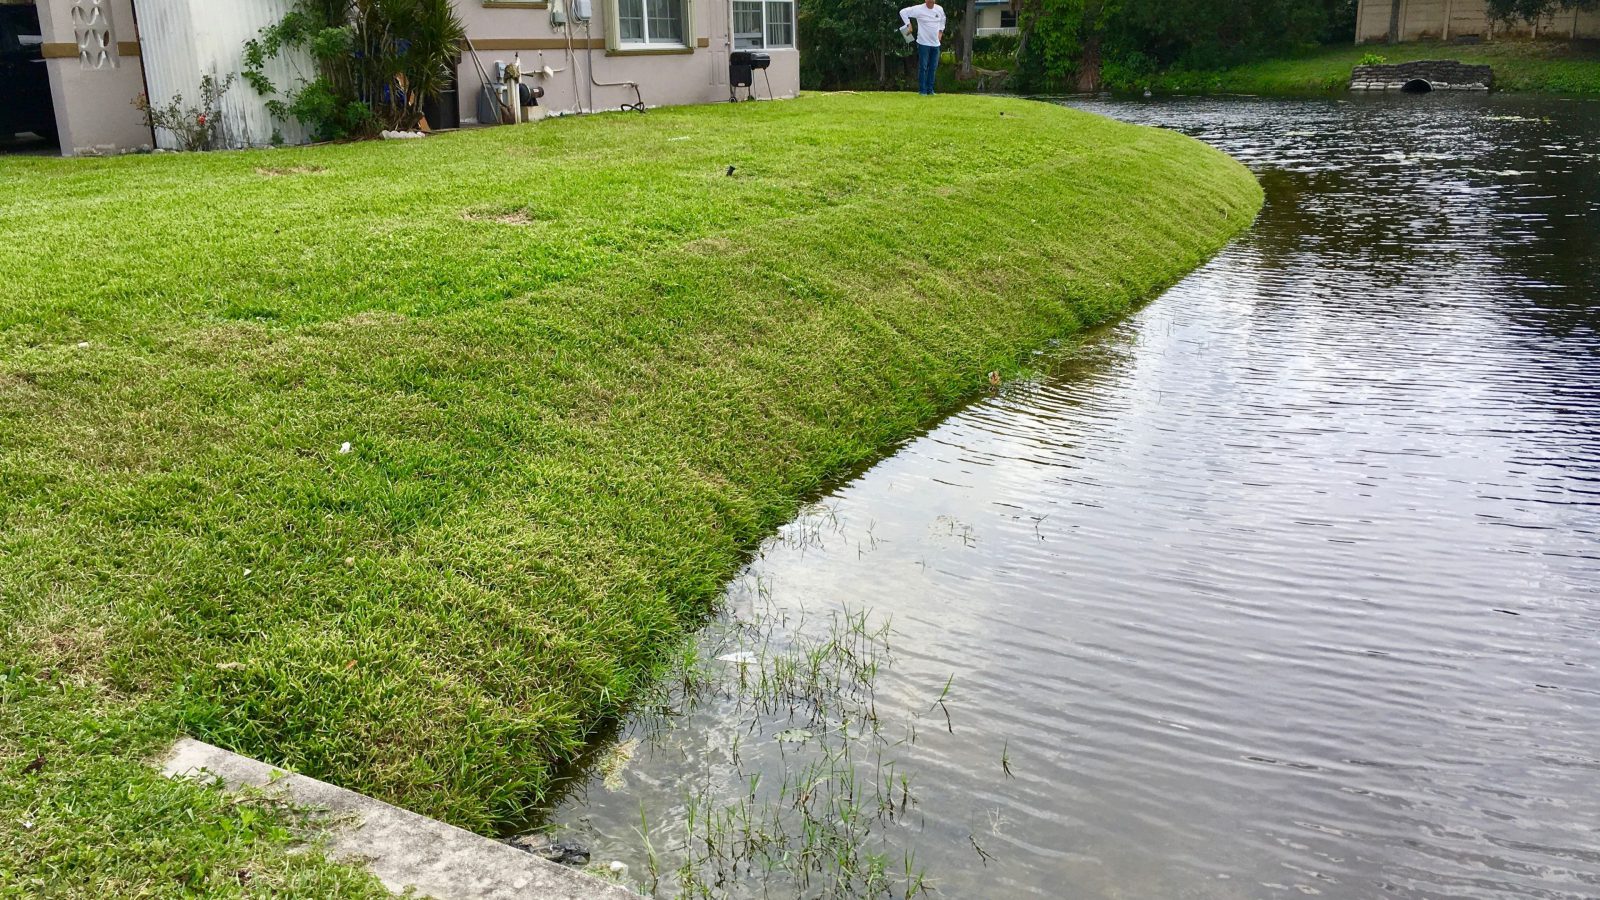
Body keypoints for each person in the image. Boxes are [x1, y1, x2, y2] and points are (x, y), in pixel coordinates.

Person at [899, 0, 946, 96]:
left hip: (935, 44)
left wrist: (940, 33)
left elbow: (943, 20)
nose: (930, 1)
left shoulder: (939, 9)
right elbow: (903, 12)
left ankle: (930, 90)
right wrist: (909, 24)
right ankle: (922, 90)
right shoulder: (919, 9)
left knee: (933, 67)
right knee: (923, 67)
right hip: (923, 43)